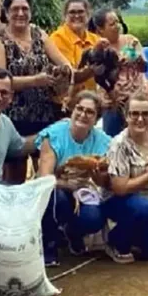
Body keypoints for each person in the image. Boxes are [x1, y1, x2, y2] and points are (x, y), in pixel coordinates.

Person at [0, 0, 72, 184]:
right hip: (12, 117)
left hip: (46, 114)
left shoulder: (39, 34)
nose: (21, 13)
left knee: (48, 175)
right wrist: (35, 80)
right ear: (6, 13)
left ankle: (45, 214)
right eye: (15, 9)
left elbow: (63, 62)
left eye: (25, 8)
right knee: (14, 177)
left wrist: (64, 74)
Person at [36, 91, 113, 265]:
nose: (83, 115)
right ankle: (49, 244)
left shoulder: (104, 141)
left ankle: (73, 233)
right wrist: (68, 185)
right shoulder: (54, 135)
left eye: (90, 112)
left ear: (96, 118)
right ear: (72, 109)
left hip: (84, 191)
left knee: (94, 217)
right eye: (79, 109)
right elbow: (44, 178)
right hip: (53, 189)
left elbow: (105, 180)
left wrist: (99, 177)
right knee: (57, 198)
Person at [102, 93, 148, 263]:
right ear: (126, 117)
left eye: (145, 114)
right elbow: (119, 188)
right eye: (134, 114)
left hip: (147, 204)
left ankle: (135, 236)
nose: (140, 119)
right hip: (118, 201)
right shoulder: (118, 144)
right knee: (142, 208)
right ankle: (114, 241)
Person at [90, 7, 146, 137]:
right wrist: (117, 65)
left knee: (140, 140)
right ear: (100, 29)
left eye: (117, 22)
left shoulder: (131, 40)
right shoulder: (98, 48)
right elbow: (99, 77)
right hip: (113, 103)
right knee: (113, 142)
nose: (117, 26)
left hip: (137, 101)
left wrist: (137, 59)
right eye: (112, 24)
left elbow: (145, 68)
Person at [50, 0, 106, 99]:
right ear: (64, 16)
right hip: (65, 103)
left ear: (88, 15)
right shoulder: (57, 38)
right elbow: (70, 75)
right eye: (72, 12)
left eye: (81, 12)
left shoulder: (95, 39)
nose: (76, 15)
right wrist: (93, 69)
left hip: (91, 101)